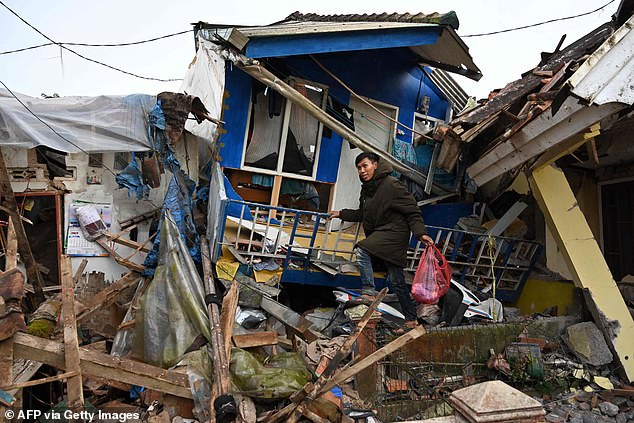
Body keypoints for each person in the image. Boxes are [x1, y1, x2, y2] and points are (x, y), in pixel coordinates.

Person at [329, 152, 433, 328]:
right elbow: (363, 214)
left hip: (394, 233)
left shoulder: (392, 185)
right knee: (397, 282)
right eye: (359, 168)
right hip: (381, 235)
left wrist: (420, 233)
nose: (362, 171)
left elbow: (412, 211)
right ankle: (411, 320)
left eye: (365, 166)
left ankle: (368, 291)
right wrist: (341, 213)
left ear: (375, 165)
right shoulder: (368, 189)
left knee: (362, 249)